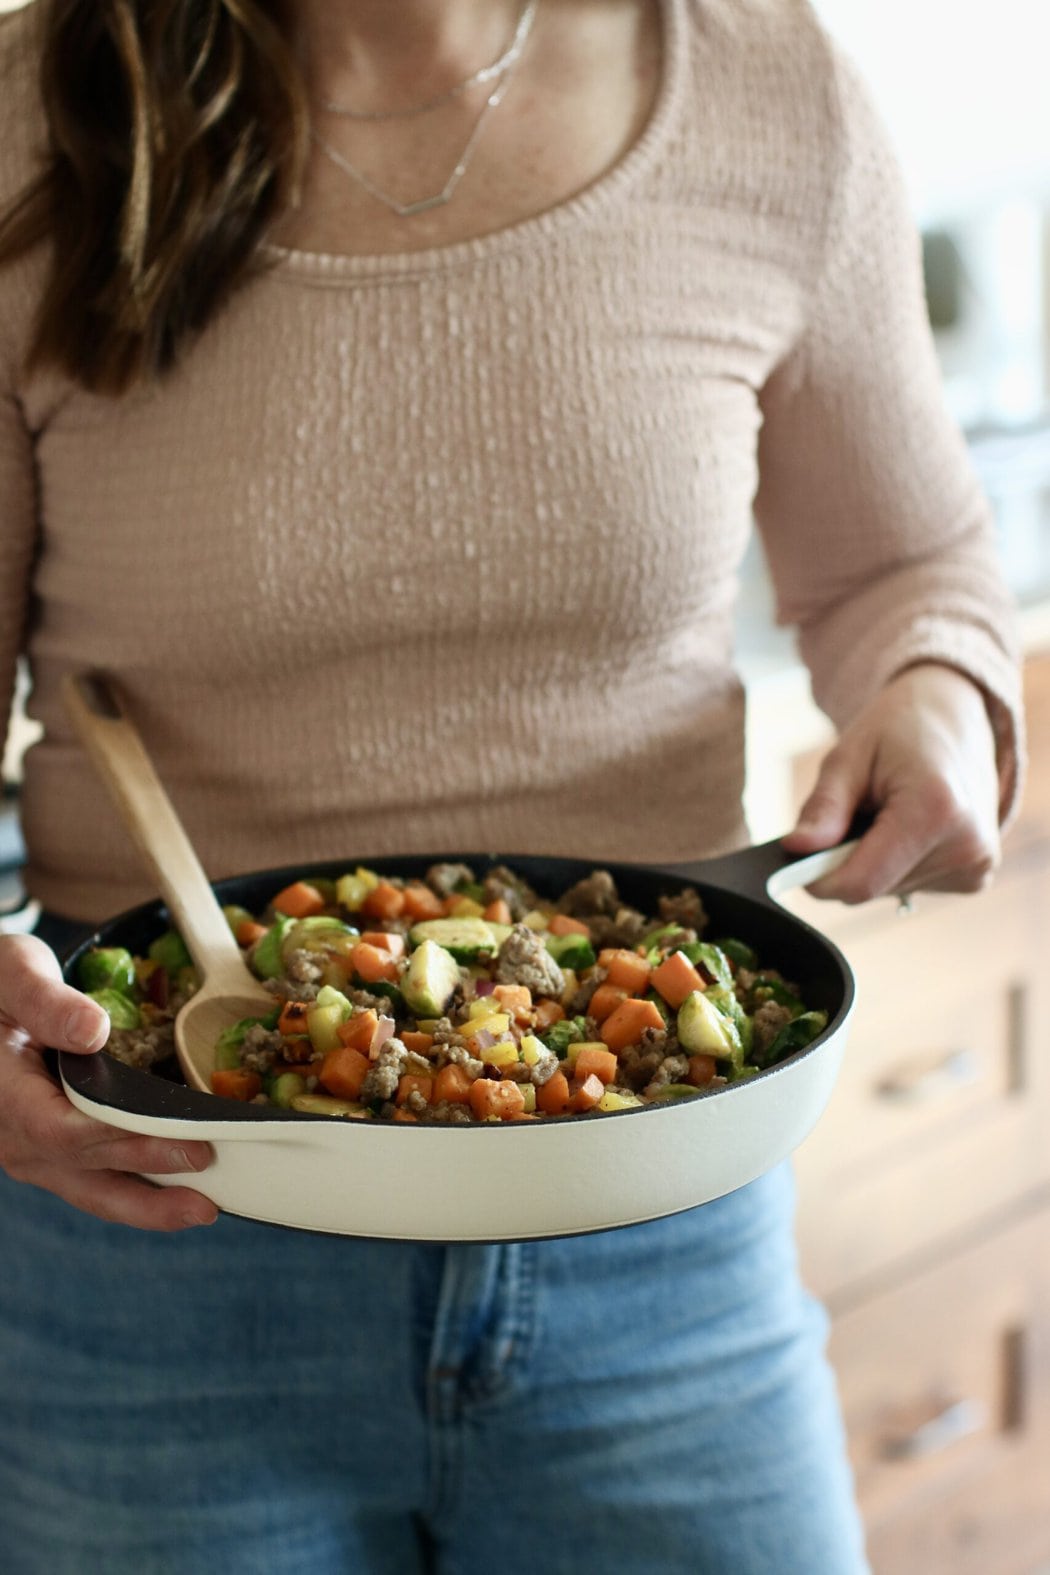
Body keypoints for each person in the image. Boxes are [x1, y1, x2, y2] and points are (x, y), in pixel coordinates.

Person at [0, 0, 1023, 1571]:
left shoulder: (768, 83)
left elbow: (902, 566)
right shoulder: (33, 110)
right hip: (156, 1227)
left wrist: (936, 696)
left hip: (659, 1214)